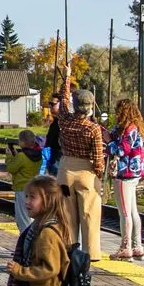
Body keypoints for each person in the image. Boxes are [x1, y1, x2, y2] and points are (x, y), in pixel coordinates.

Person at [57, 89, 105, 261]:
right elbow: (98, 158)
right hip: (87, 171)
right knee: (89, 213)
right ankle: (91, 253)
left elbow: (63, 101)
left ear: (74, 105)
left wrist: (68, 77)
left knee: (66, 212)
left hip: (65, 170)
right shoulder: (93, 129)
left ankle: (68, 248)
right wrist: (99, 174)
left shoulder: (64, 120)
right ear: (90, 106)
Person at [106, 98, 144, 260]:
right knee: (132, 211)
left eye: (118, 111)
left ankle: (126, 247)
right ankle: (137, 246)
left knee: (124, 213)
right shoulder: (134, 128)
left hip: (125, 174)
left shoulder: (129, 130)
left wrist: (109, 141)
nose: (116, 114)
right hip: (134, 173)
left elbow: (122, 149)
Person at [5, 129, 42, 232]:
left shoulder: (22, 156)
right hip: (34, 187)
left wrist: (9, 157)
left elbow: (11, 168)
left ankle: (25, 241)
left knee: (22, 219)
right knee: (30, 217)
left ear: (21, 142)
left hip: (21, 188)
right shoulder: (38, 154)